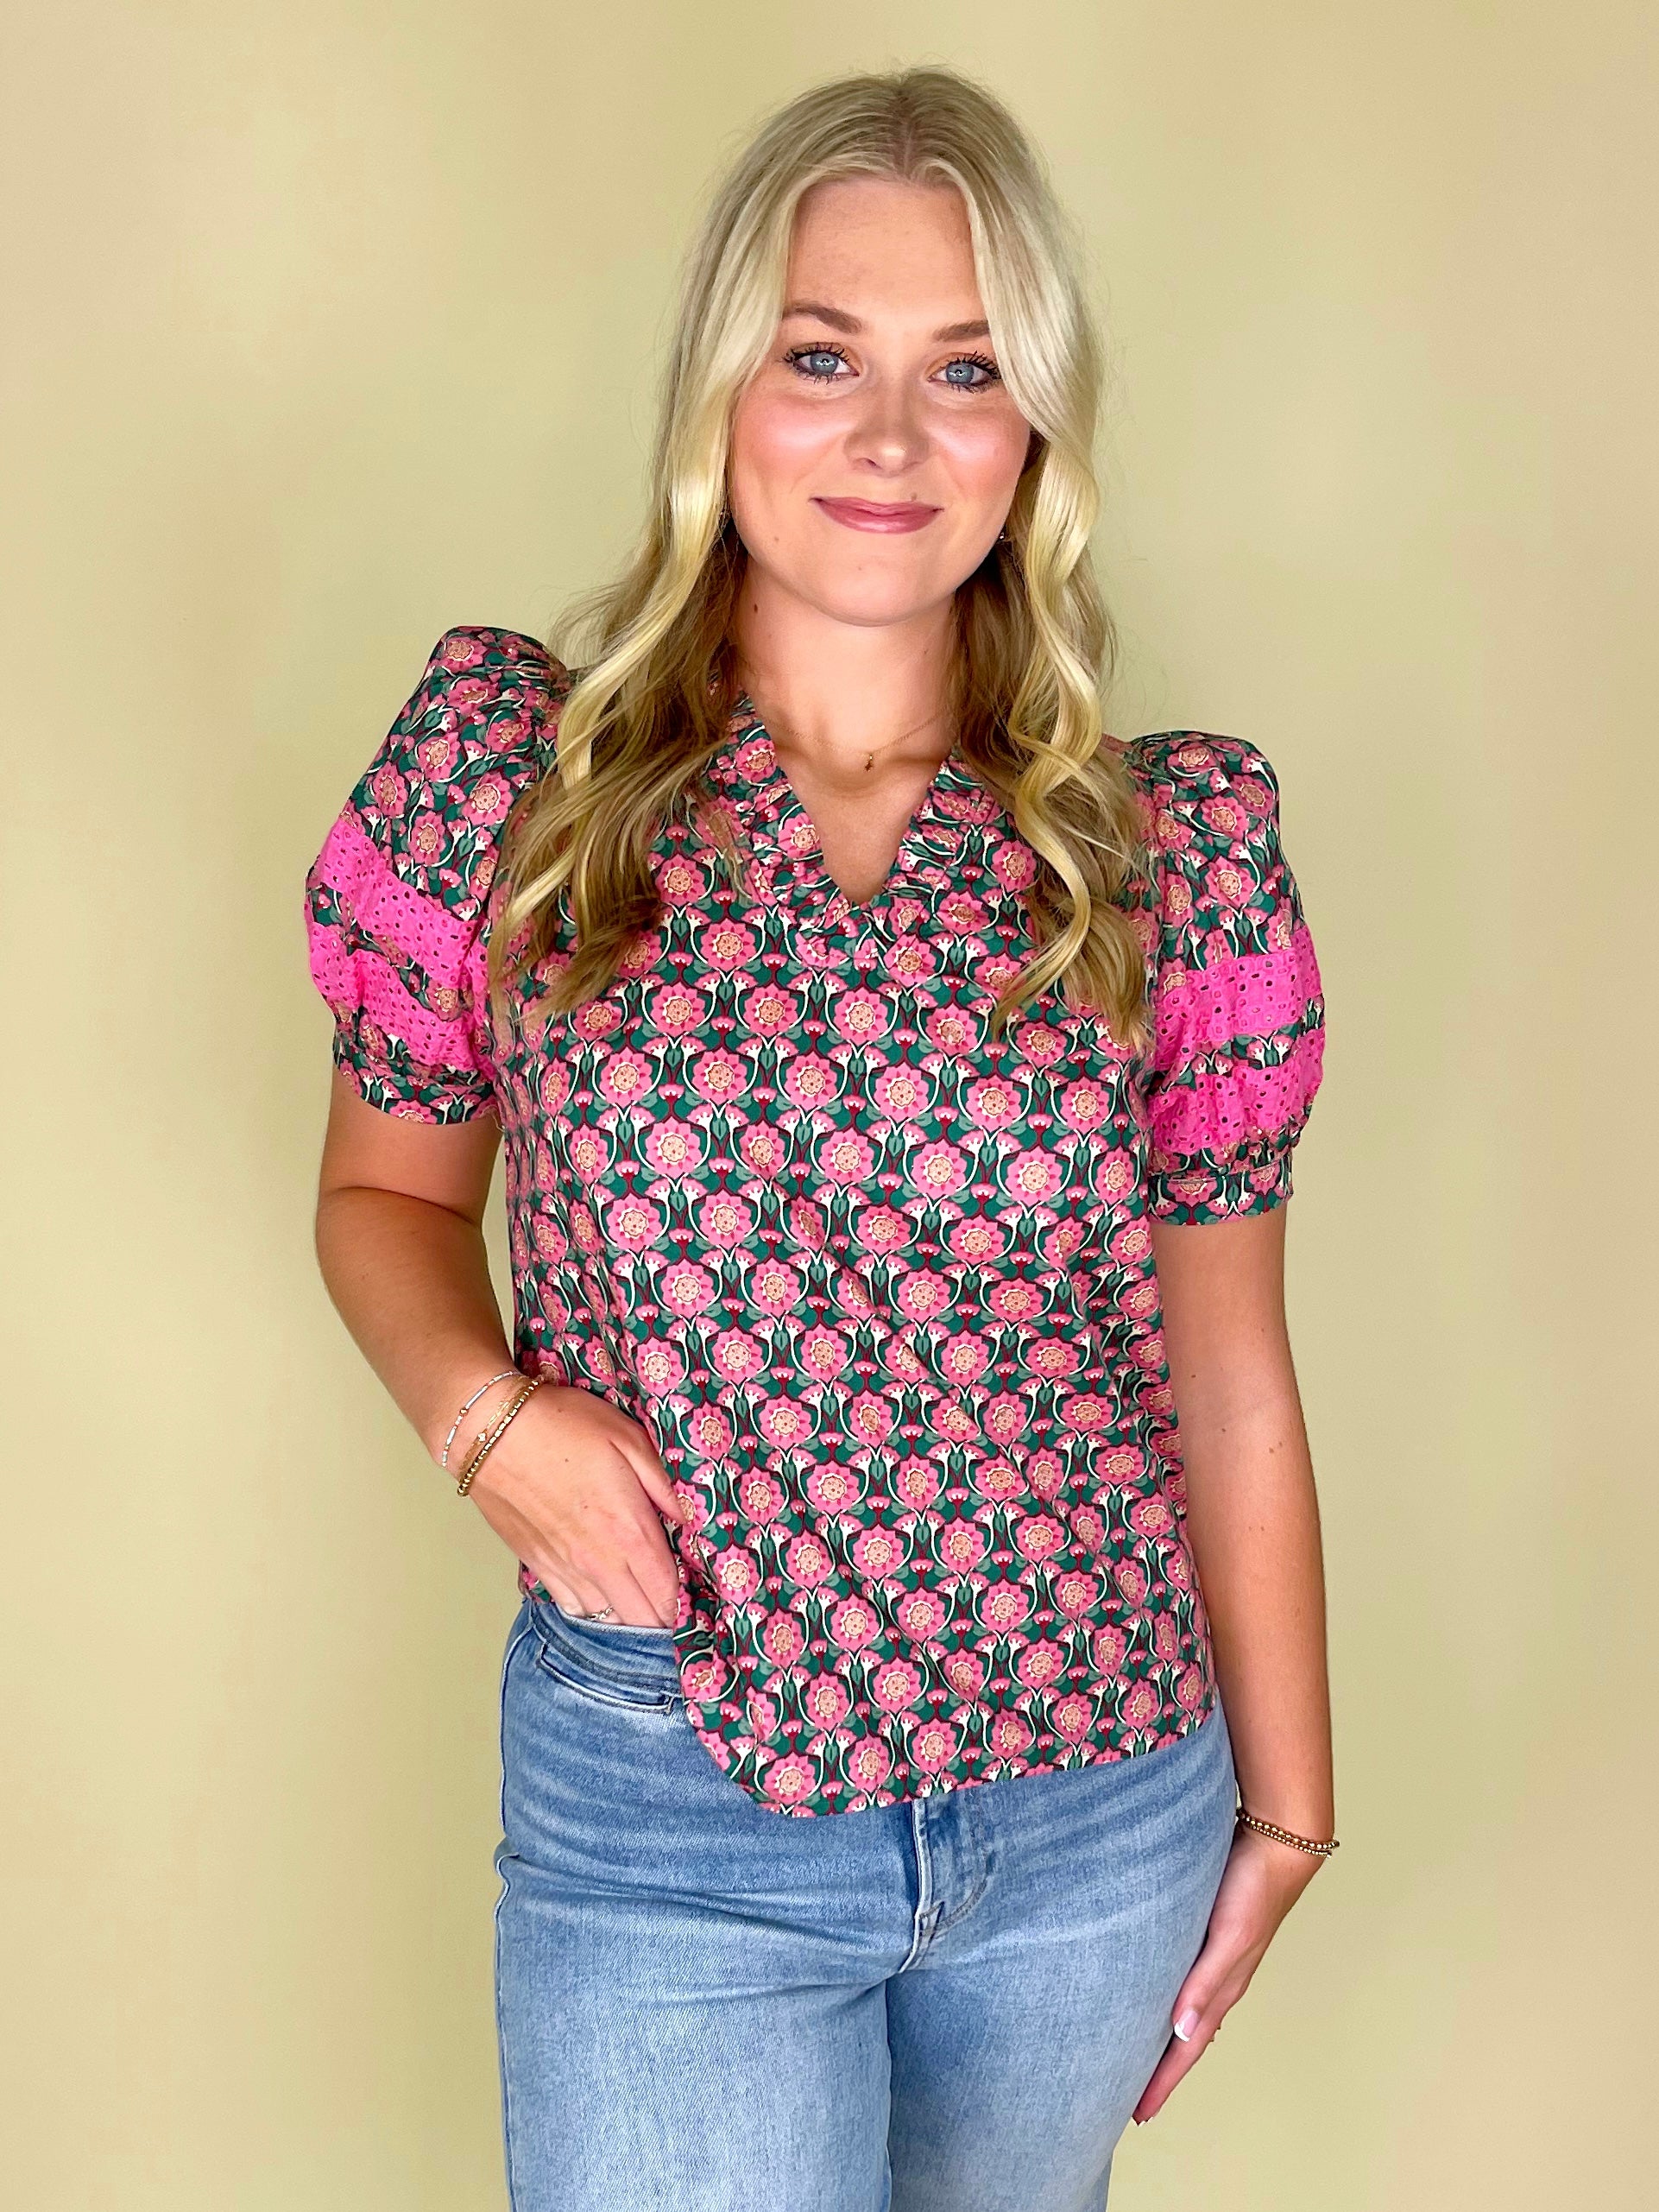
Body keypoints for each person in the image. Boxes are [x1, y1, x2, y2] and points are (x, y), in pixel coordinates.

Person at [306, 63, 1336, 2212]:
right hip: (670, 1797)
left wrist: (1287, 1806)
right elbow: (385, 1195)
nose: (889, 438)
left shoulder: (1163, 856)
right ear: (721, 389)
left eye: (964, 369)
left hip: (1096, 1801)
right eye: (820, 356)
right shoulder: (516, 783)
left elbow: (1228, 1367)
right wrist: (490, 1422)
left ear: (1031, 428)